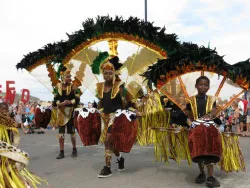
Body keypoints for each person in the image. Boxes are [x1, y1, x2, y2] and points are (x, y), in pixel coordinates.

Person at [94, 56, 139, 178]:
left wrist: (135, 109)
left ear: (114, 73)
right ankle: (120, 158)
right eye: (105, 73)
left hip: (117, 117)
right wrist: (99, 109)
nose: (108, 75)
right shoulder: (99, 87)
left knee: (107, 140)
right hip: (105, 117)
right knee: (112, 143)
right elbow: (101, 103)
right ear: (102, 74)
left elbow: (130, 102)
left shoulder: (120, 87)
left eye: (110, 73)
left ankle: (107, 167)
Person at [186, 76, 221, 187]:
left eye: (205, 85)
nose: (203, 87)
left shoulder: (212, 99)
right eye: (200, 84)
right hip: (196, 130)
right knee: (199, 151)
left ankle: (210, 176)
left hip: (209, 129)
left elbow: (214, 112)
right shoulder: (190, 100)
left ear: (208, 87)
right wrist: (190, 122)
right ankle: (202, 173)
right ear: (196, 86)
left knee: (210, 151)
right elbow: (187, 114)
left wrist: (209, 116)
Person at [53, 68, 81, 159]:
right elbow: (54, 100)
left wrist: (70, 102)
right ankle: (61, 152)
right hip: (61, 113)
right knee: (61, 133)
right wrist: (60, 103)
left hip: (70, 112)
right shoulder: (58, 87)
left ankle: (74, 149)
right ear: (62, 77)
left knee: (72, 132)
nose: (69, 78)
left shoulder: (74, 87)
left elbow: (77, 98)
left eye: (70, 76)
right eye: (67, 77)